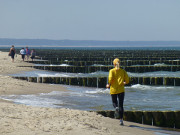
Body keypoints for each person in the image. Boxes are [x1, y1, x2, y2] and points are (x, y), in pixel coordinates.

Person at [106, 58, 129, 125]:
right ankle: (121, 120)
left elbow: (110, 79)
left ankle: (116, 108)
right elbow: (127, 80)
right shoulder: (123, 71)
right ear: (119, 63)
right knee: (121, 105)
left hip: (113, 89)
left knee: (114, 102)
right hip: (121, 90)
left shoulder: (111, 71)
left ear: (114, 64)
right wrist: (124, 83)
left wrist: (108, 84)